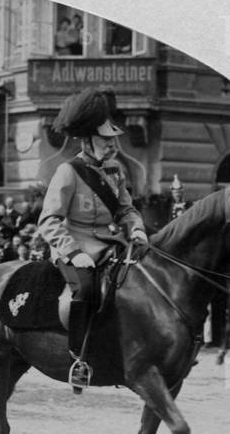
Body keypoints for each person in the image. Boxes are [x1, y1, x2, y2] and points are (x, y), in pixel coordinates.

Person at [39, 87, 148, 391]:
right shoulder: (68, 171)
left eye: (113, 138)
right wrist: (73, 253)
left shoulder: (115, 171)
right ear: (87, 139)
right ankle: (78, 359)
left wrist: (137, 229)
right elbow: (48, 221)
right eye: (105, 139)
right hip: (76, 248)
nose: (113, 144)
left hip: (112, 246)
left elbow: (126, 209)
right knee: (85, 289)